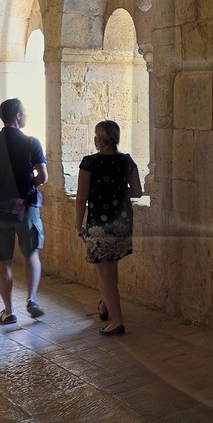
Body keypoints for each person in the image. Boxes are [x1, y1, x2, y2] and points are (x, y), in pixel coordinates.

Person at [0, 98, 48, 325]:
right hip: (27, 207)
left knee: (3, 262)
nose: (26, 116)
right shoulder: (31, 143)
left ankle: (8, 312)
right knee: (31, 254)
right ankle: (32, 299)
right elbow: (43, 176)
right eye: (24, 112)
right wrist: (28, 184)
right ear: (17, 115)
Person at [75, 119, 141, 336]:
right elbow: (137, 192)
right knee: (111, 267)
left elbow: (81, 199)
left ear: (99, 139)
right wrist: (117, 191)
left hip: (99, 225)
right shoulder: (127, 161)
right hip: (122, 222)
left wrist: (78, 226)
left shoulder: (89, 163)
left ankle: (117, 321)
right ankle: (105, 306)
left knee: (104, 272)